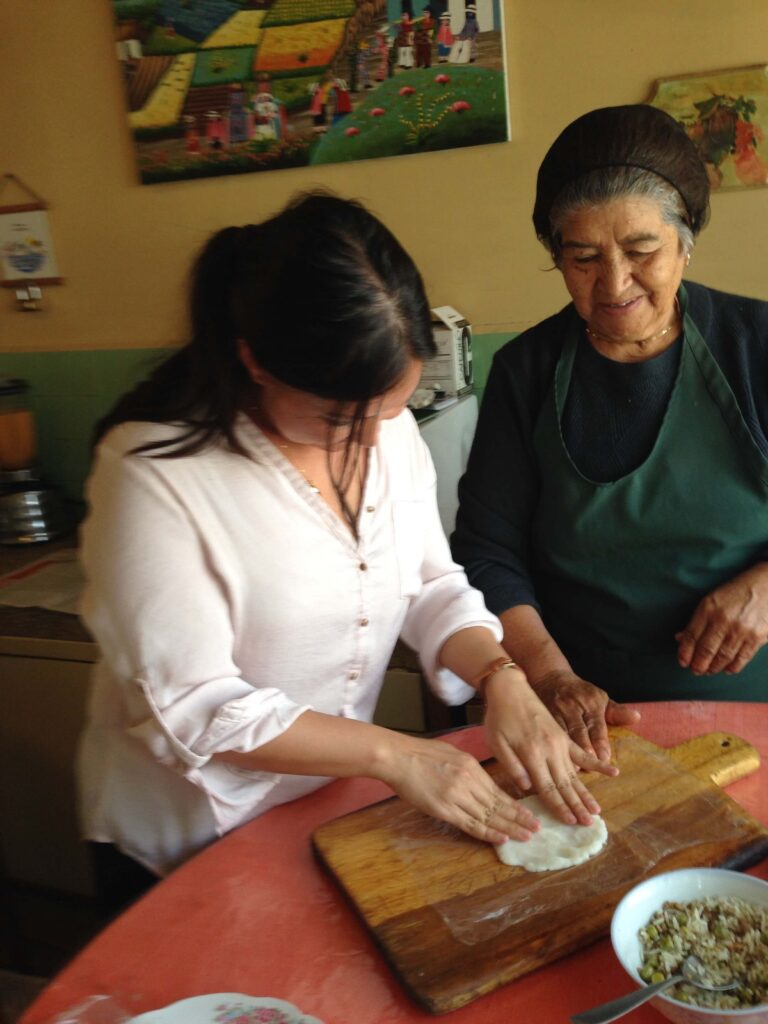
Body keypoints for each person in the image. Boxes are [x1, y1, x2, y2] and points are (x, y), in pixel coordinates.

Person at [77, 191, 615, 910]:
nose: (373, 440)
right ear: (255, 361)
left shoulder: (384, 432)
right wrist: (398, 755)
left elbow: (429, 583)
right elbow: (195, 705)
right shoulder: (154, 475)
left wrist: (502, 676)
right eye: (337, 418)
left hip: (317, 819)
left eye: (392, 408)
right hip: (184, 840)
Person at [452, 104, 768, 747]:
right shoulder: (526, 371)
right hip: (587, 719)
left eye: (641, 249)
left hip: (754, 707)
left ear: (685, 240)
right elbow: (488, 550)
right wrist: (548, 677)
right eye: (583, 258)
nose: (614, 282)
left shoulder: (757, 345)